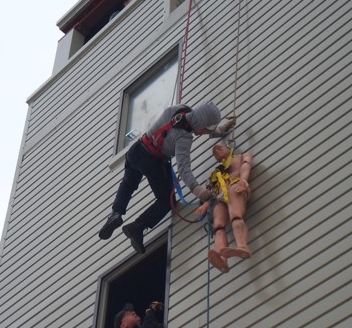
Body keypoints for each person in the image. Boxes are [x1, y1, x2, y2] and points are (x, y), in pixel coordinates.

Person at [99, 101, 236, 254]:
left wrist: (221, 129)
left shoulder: (180, 109)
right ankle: (138, 227)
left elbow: (197, 124)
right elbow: (184, 170)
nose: (204, 132)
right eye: (205, 129)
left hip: (136, 151)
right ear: (201, 123)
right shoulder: (184, 139)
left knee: (128, 183)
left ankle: (116, 213)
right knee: (166, 201)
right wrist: (200, 192)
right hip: (152, 161)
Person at [196, 141, 253, 273]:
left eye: (219, 148)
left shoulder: (241, 156)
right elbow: (211, 191)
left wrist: (243, 180)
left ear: (229, 147)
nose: (217, 151)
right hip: (220, 196)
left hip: (235, 186)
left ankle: (242, 246)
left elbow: (246, 165)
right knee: (218, 226)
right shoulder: (216, 173)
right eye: (215, 152)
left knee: (236, 215)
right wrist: (206, 204)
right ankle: (222, 259)